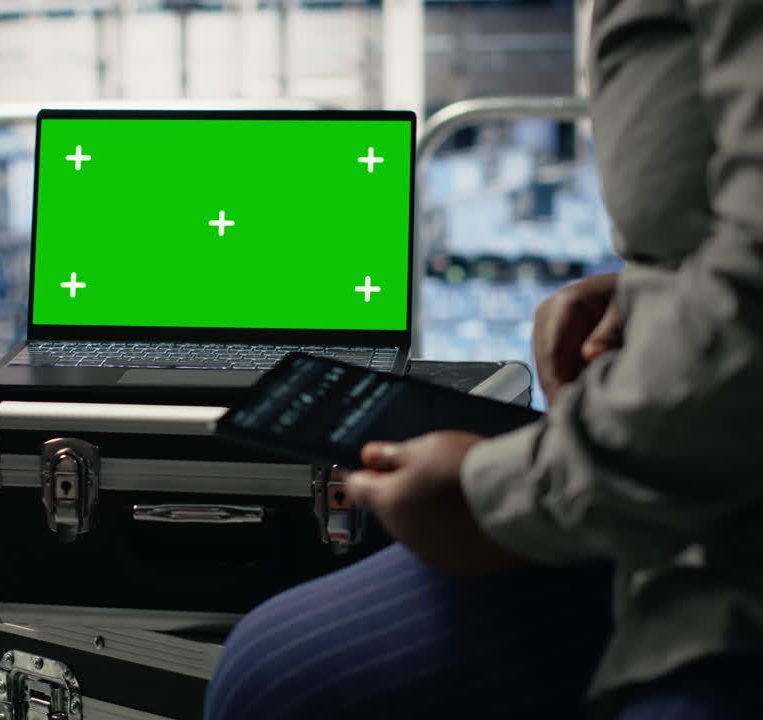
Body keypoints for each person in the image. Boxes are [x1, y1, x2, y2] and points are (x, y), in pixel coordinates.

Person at [203, 0, 763, 717]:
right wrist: (658, 291)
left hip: (721, 546)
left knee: (281, 691)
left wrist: (501, 496)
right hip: (675, 475)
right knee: (270, 671)